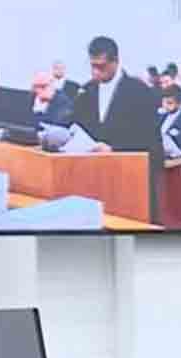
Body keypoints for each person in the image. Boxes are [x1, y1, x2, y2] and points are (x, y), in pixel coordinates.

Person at [71, 35, 162, 220]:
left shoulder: (140, 92)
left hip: (130, 181)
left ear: (116, 61)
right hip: (93, 179)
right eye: (92, 66)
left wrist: (114, 150)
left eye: (101, 66)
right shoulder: (86, 91)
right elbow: (79, 126)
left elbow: (151, 143)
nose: (96, 72)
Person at [157, 86, 181, 159]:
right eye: (163, 102)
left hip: (176, 158)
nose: (165, 106)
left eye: (169, 103)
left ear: (179, 104)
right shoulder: (160, 116)